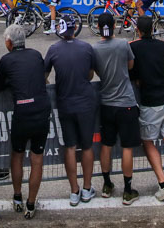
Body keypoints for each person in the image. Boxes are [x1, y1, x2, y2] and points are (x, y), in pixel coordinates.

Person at [44, 17, 97, 207]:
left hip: (65, 102)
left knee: (70, 146)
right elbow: (91, 74)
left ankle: (74, 190)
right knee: (87, 146)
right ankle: (87, 187)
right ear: (75, 29)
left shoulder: (53, 49)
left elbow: (44, 76)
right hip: (85, 102)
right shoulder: (86, 47)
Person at [0, 24, 50, 216]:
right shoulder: (36, 54)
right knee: (37, 158)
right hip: (41, 110)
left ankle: (17, 196)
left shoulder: (6, 60)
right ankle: (30, 203)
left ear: (9, 42)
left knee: (18, 155)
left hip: (22, 112)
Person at [126, 16, 164, 201]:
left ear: (138, 30)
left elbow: (132, 72)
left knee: (147, 141)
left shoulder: (133, 46)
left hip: (152, 100)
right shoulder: (162, 45)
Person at [92, 12, 140, 204]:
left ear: (98, 27)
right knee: (127, 147)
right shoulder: (122, 45)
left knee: (107, 144)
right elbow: (130, 65)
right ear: (114, 25)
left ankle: (106, 184)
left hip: (106, 102)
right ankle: (128, 190)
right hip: (126, 102)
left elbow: (96, 71)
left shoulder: (95, 49)